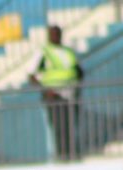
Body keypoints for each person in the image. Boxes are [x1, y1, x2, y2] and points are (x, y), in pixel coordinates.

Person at [30, 25, 84, 160]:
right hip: (54, 97)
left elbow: (79, 71)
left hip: (70, 95)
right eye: (52, 34)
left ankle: (72, 155)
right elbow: (32, 76)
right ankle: (62, 156)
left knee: (70, 127)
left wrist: (76, 87)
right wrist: (46, 91)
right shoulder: (44, 52)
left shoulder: (69, 52)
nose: (55, 36)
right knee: (59, 128)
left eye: (57, 34)